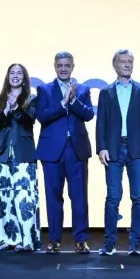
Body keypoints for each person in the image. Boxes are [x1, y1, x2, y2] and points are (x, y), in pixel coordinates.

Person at [35, 52, 95, 254]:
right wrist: (62, 103)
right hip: (52, 151)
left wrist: (73, 100)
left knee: (79, 197)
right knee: (53, 197)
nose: (63, 68)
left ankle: (81, 240)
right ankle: (54, 240)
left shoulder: (83, 89)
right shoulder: (44, 90)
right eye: (60, 65)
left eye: (67, 65)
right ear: (55, 66)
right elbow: (42, 116)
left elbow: (89, 114)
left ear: (72, 67)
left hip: (76, 150)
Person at [96, 49, 140, 256]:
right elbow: (101, 122)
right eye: (123, 61)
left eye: (130, 61)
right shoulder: (106, 92)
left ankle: (135, 243)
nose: (127, 64)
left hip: (137, 149)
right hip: (113, 149)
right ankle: (109, 243)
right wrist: (101, 147)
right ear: (115, 65)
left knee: (138, 196)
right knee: (113, 197)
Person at [0, 63, 42, 252]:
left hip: (24, 154)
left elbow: (29, 121)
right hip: (2, 155)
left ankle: (26, 240)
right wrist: (6, 110)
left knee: (24, 199)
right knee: (3, 199)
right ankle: (5, 237)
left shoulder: (31, 99)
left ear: (24, 78)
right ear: (8, 77)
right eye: (12, 73)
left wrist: (16, 107)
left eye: (19, 73)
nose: (15, 76)